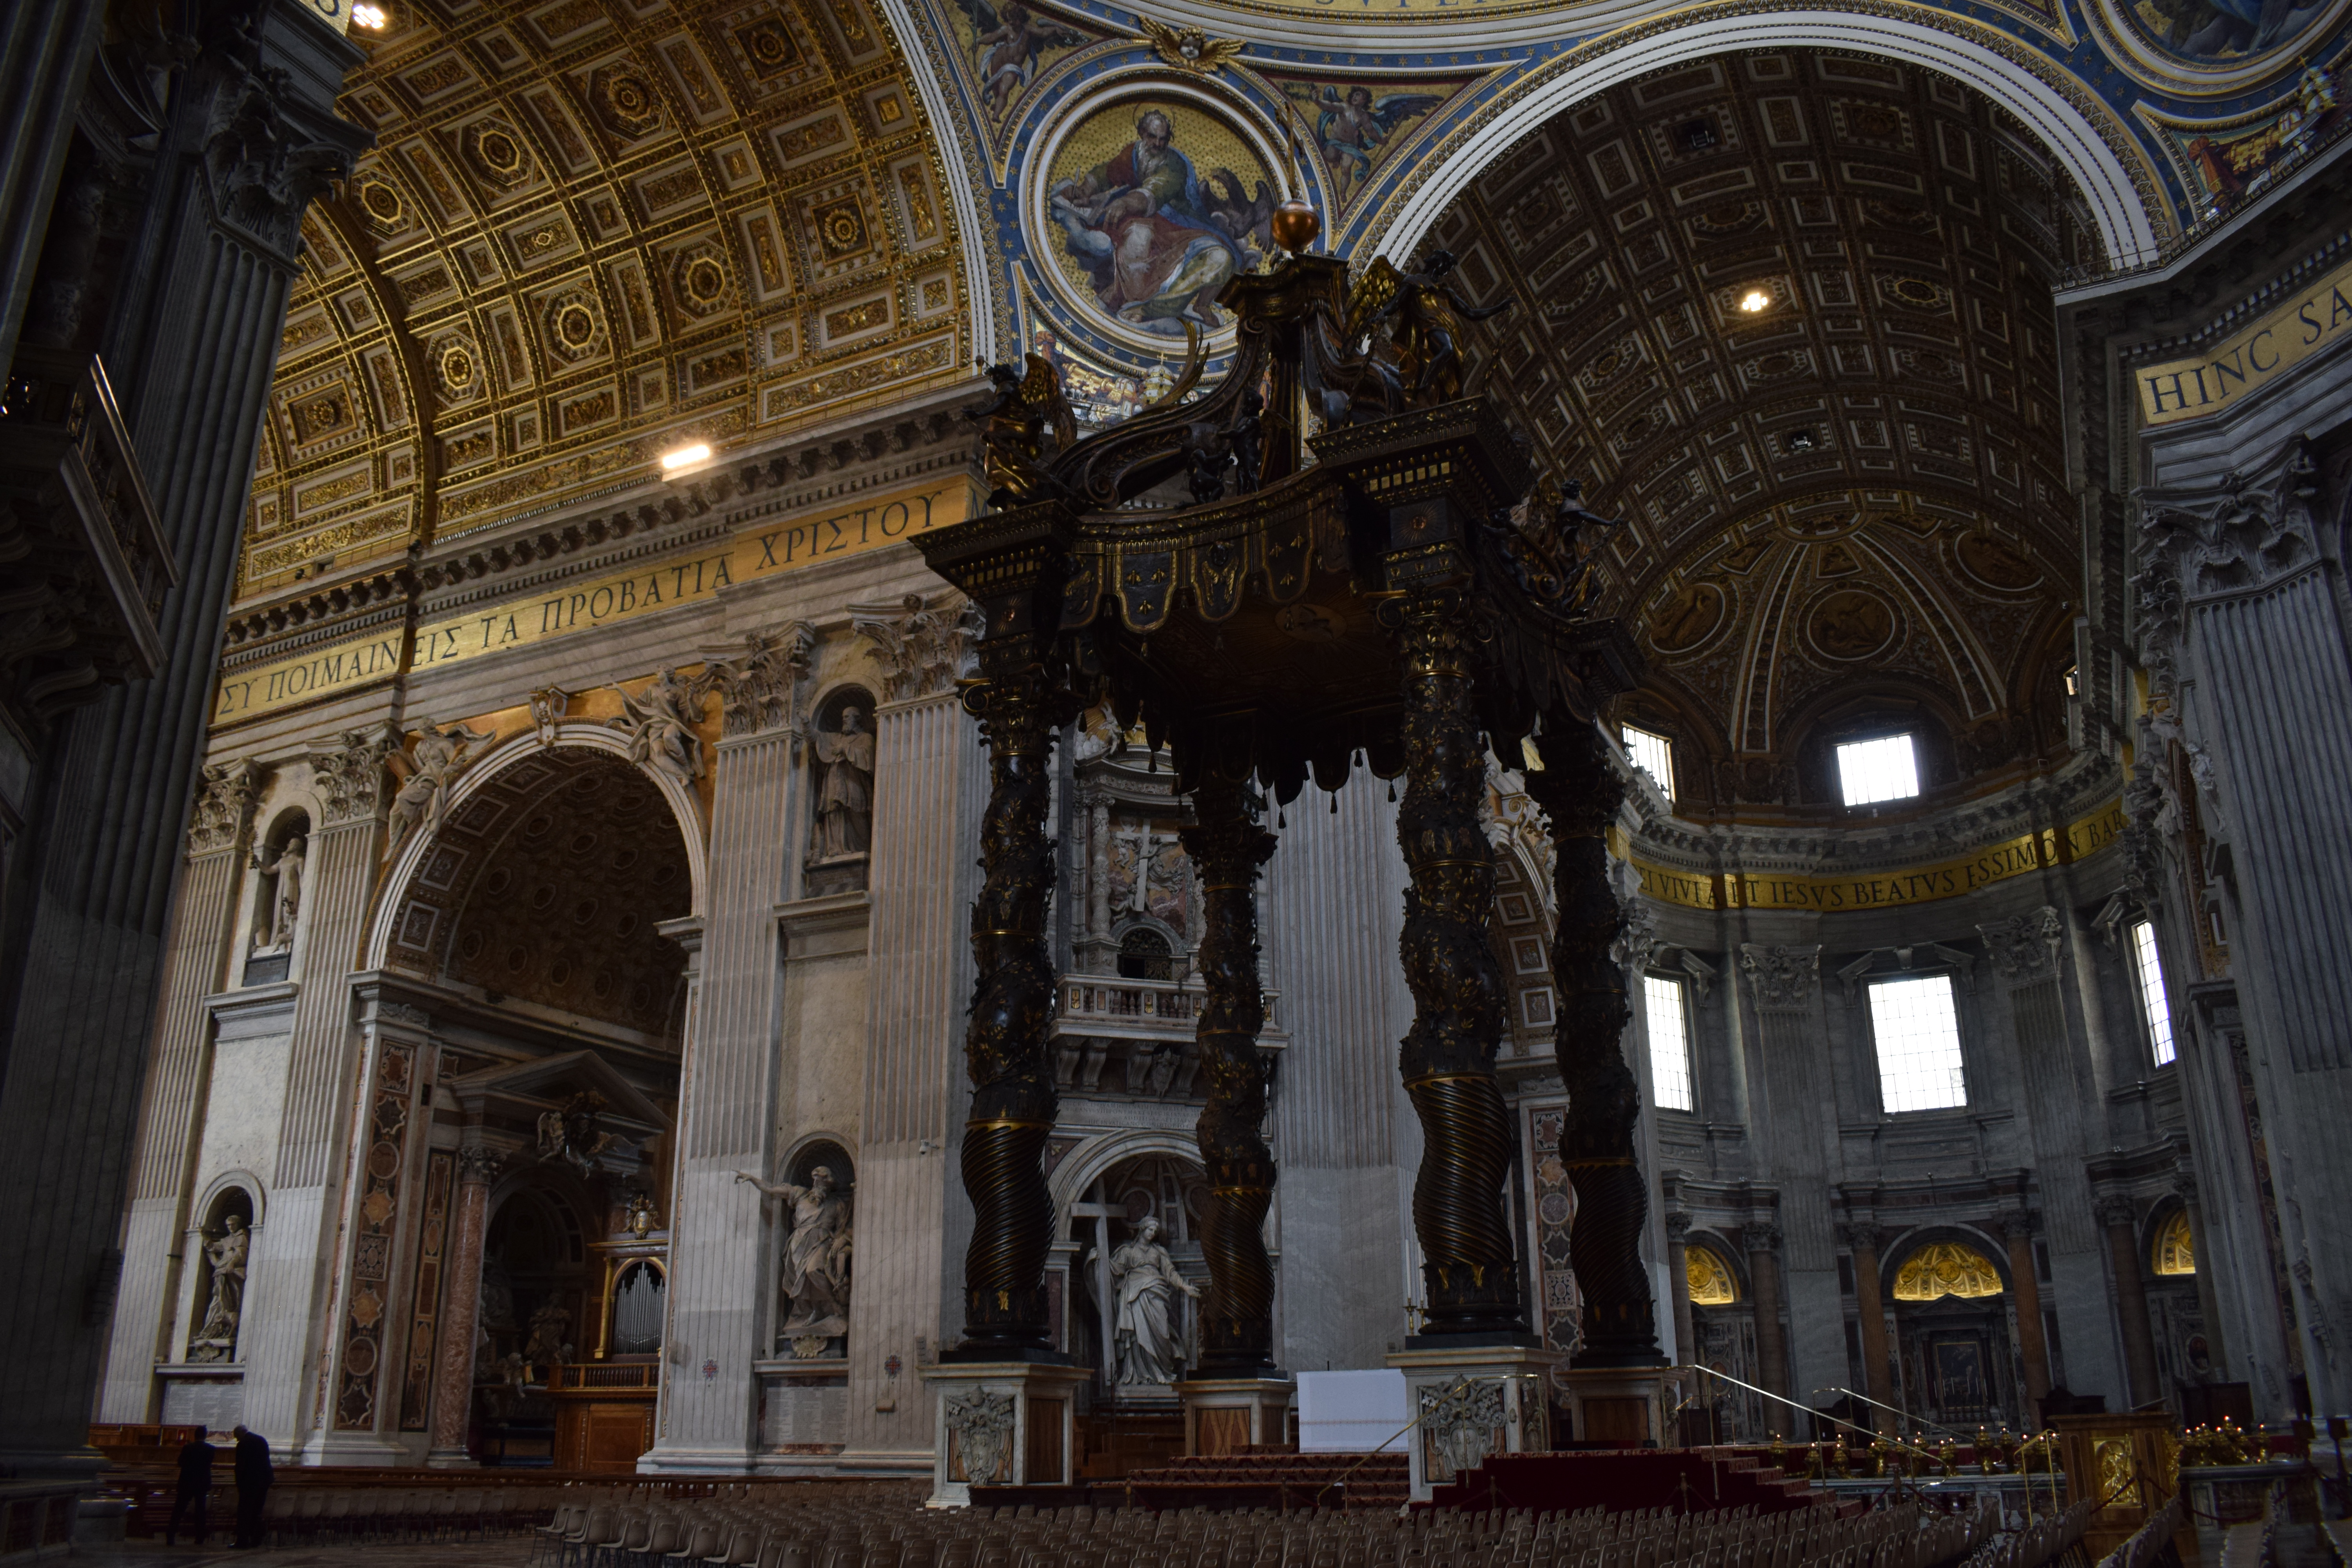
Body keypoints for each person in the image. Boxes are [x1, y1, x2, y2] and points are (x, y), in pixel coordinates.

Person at [734, 1164, 852, 1339]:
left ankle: (834, 1305)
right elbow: (772, 1190)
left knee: (813, 1270)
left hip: (822, 1242)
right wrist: (752, 1179)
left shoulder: (837, 1205)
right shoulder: (800, 1194)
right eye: (818, 1183)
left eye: (824, 1185)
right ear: (814, 1184)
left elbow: (844, 1229)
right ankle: (816, 1310)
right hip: (798, 1245)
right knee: (799, 1280)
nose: (820, 1188)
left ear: (829, 1187)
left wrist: (843, 1240)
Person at [1108, 1215, 1198, 1386]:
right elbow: (1114, 1269)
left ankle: (1161, 1372)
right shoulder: (1127, 1251)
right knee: (1137, 1334)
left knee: (1162, 1332)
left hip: (1156, 1292)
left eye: (1155, 1231)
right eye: (1150, 1230)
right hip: (1135, 1295)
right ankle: (1140, 1374)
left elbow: (1170, 1273)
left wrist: (1186, 1288)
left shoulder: (1159, 1252)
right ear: (1142, 1229)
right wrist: (1099, 1260)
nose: (1153, 1233)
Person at [166, 1426, 213, 1546]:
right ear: (205, 1436)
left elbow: (181, 1463)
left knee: (179, 1510)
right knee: (200, 1511)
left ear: (195, 1436)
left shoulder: (188, 1447)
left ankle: (171, 1537)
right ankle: (200, 1538)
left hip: (187, 1482)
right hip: (202, 1483)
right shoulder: (211, 1449)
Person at [231, 1425, 272, 1548]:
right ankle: (256, 1539)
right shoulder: (261, 1440)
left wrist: (239, 1484)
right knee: (257, 1512)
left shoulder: (243, 1444)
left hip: (249, 1483)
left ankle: (242, 1541)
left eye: (237, 1438)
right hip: (263, 1482)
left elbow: (241, 1466)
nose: (237, 1440)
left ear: (240, 1434)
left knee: (244, 1513)